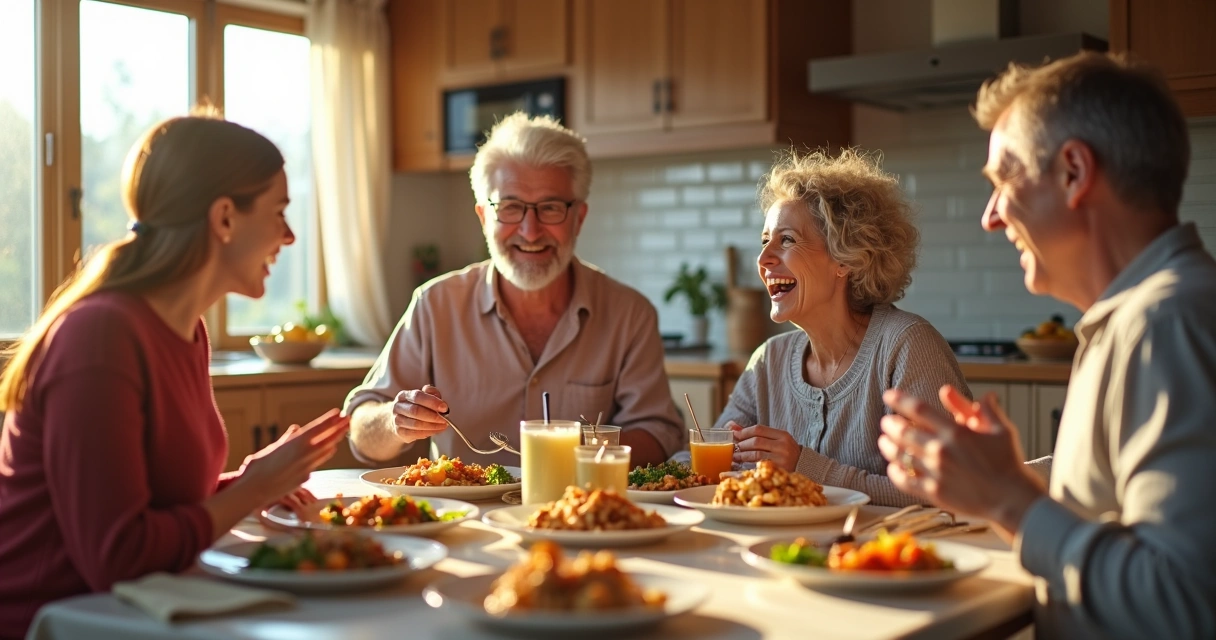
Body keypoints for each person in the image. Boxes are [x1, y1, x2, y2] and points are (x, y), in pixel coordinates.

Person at [879, 52, 1216, 638]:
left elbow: (1184, 606)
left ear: (1074, 172)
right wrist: (1006, 484)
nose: (990, 217)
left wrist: (1010, 499)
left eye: (1005, 179)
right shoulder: (1135, 319)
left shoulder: (1165, 324)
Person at [0, 114, 349, 637]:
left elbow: (156, 509)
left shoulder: (187, 332)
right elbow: (118, 555)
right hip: (59, 621)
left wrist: (250, 482)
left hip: (136, 610)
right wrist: (252, 490)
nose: (290, 235)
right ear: (225, 218)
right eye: (279, 212)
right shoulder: (101, 336)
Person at [346, 112, 683, 468]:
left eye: (551, 208)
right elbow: (362, 431)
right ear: (482, 217)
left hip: (580, 516)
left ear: (579, 218)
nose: (531, 231)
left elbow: (659, 432)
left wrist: (577, 450)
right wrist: (393, 420)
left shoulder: (629, 313)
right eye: (510, 208)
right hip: (466, 520)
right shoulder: (435, 305)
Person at [715, 148, 970, 507]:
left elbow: (940, 488)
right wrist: (718, 457)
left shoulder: (906, 346)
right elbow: (709, 460)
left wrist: (804, 466)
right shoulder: (768, 360)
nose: (763, 259)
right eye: (764, 241)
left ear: (844, 257)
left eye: (786, 240)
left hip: (888, 556)